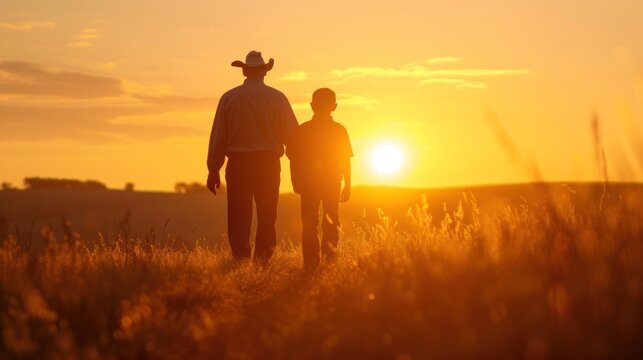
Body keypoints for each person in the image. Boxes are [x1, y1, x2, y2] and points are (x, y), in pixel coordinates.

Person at [207, 51, 299, 265]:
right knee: (267, 214)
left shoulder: (229, 98)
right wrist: (299, 168)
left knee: (239, 213)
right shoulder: (277, 98)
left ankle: (240, 257)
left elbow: (219, 136)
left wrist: (214, 169)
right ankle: (262, 259)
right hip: (268, 164)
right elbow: (292, 136)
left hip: (239, 164)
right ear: (265, 72)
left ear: (245, 71)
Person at [291, 88, 353, 270]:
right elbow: (346, 161)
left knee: (309, 223)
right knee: (331, 221)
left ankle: (311, 263)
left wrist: (296, 181)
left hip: (309, 183)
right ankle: (329, 261)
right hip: (332, 182)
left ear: (311, 106)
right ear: (334, 106)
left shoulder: (303, 129)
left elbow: (294, 159)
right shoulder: (339, 130)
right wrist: (348, 185)